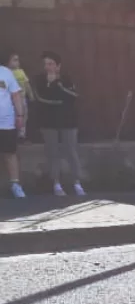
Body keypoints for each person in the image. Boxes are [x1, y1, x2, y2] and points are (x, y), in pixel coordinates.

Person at [33, 51, 84, 196]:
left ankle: (77, 182)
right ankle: (56, 183)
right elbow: (41, 98)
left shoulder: (66, 79)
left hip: (68, 121)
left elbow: (73, 96)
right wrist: (50, 86)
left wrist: (57, 85)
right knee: (52, 152)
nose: (47, 67)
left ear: (58, 66)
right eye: (45, 64)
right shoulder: (40, 80)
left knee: (71, 151)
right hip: (48, 122)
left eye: (50, 64)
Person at [0, 49, 26, 198]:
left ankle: (15, 184)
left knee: (10, 153)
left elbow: (16, 95)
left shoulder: (6, 72)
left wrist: (20, 115)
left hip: (6, 121)